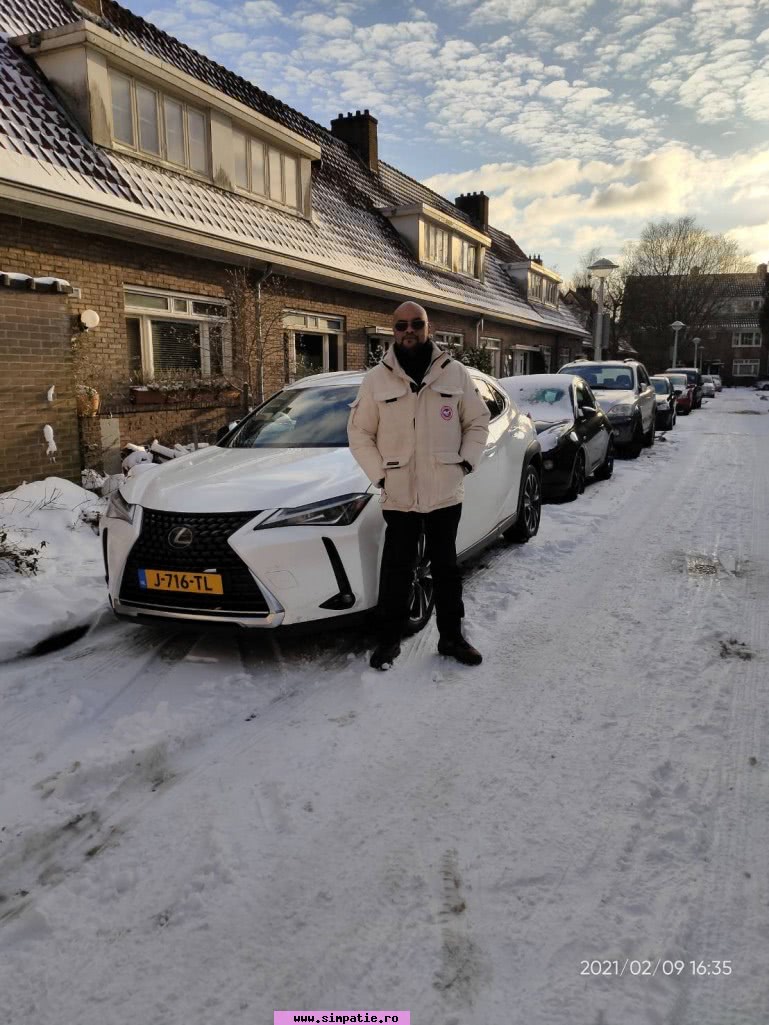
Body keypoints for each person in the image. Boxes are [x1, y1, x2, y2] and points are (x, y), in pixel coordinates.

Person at [348, 300, 490, 670]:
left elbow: (477, 421)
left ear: (428, 328)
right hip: (399, 493)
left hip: (445, 490)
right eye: (401, 326)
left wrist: (465, 462)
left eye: (416, 324)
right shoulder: (376, 379)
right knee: (397, 569)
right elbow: (359, 433)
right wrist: (380, 475)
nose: (409, 331)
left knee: (446, 568)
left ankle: (452, 637)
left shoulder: (454, 373)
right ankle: (389, 641)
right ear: (392, 330)